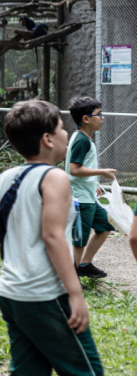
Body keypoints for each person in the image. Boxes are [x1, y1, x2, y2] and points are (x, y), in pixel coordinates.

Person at [0, 100, 104, 376]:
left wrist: (25, 236)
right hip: (45, 295)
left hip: (11, 294)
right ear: (47, 139)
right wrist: (75, 293)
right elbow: (52, 236)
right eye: (61, 128)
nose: (65, 134)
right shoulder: (54, 177)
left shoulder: (7, 177)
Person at [66, 96, 117, 280]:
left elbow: (80, 166)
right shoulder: (82, 141)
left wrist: (94, 182)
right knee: (79, 240)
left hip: (89, 196)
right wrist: (101, 172)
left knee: (104, 227)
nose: (102, 117)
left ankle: (84, 264)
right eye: (98, 114)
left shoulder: (83, 137)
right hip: (81, 200)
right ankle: (72, 278)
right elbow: (73, 169)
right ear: (86, 119)